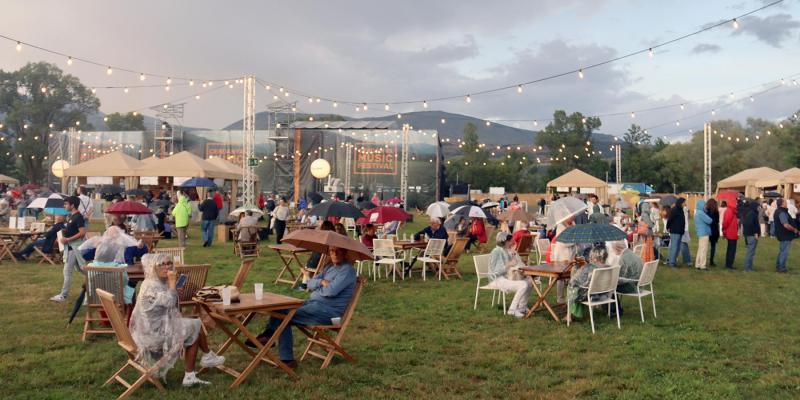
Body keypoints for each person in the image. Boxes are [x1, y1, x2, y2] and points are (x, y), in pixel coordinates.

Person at [249, 247, 357, 369]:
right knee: (280, 308)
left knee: (284, 315)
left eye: (339, 251)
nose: (335, 254)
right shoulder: (329, 268)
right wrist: (321, 282)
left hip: (327, 311)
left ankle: (279, 350)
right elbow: (309, 284)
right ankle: (270, 338)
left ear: (345, 253)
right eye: (332, 251)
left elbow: (331, 291)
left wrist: (319, 286)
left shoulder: (347, 271)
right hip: (312, 303)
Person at [130, 254, 225, 386]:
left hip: (150, 330)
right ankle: (195, 370)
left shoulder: (155, 282)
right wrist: (173, 285)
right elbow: (169, 302)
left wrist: (172, 288)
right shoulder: (152, 285)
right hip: (153, 337)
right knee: (195, 327)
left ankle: (207, 357)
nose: (167, 266)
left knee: (193, 325)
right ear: (153, 268)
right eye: (161, 264)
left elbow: (168, 305)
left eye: (169, 263)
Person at [487, 232, 533, 318]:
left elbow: (516, 265)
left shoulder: (508, 251)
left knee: (530, 281)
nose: (513, 242)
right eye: (510, 241)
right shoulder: (496, 251)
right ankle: (512, 310)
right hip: (497, 279)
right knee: (523, 284)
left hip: (508, 277)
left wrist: (515, 256)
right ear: (505, 242)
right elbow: (494, 271)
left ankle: (522, 307)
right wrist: (508, 265)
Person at [50, 196, 86, 302]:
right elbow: (70, 230)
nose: (64, 206)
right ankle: (97, 278)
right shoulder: (71, 216)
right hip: (70, 247)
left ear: (72, 205)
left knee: (67, 271)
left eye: (66, 204)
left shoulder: (78, 217)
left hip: (74, 248)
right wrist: (61, 238)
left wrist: (68, 239)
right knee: (80, 269)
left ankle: (63, 295)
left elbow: (82, 232)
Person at [567, 244, 608, 319]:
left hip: (591, 296)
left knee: (573, 287)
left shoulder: (590, 267)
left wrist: (579, 270)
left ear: (593, 255)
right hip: (604, 295)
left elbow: (575, 282)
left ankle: (569, 316)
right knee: (579, 288)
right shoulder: (609, 267)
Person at [774, 199, 799, 273]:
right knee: (784, 252)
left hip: (782, 234)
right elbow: (786, 225)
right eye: (785, 202)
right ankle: (781, 268)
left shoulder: (779, 211)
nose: (786, 203)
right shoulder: (781, 212)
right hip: (785, 234)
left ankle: (779, 266)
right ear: (782, 204)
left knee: (782, 251)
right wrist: (794, 230)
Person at [665, 198, 686, 267]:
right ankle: (671, 262)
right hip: (675, 231)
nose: (684, 204)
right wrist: (667, 227)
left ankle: (672, 260)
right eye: (684, 202)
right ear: (680, 202)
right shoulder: (675, 209)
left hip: (680, 230)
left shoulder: (680, 209)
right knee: (674, 246)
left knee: (677, 247)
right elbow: (670, 219)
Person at [742, 200, 761, 272]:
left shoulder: (750, 213)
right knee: (750, 252)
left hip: (749, 235)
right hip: (751, 235)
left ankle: (749, 267)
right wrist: (755, 233)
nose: (758, 208)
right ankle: (747, 268)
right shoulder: (752, 214)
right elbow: (751, 225)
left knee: (751, 252)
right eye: (757, 206)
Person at [693, 200, 712, 271]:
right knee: (704, 250)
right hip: (704, 233)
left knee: (700, 249)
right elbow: (710, 220)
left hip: (701, 233)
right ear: (701, 206)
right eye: (705, 205)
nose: (706, 207)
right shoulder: (701, 213)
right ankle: (702, 266)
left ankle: (697, 264)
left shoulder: (698, 212)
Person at [721, 199, 739, 270]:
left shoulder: (731, 211)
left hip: (731, 232)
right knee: (731, 250)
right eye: (736, 203)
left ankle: (729, 264)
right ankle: (729, 265)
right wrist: (723, 229)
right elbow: (726, 222)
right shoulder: (730, 211)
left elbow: (726, 222)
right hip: (731, 233)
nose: (737, 204)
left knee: (731, 249)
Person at [706, 199, 720, 266]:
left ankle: (704, 260)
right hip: (714, 230)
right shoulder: (716, 212)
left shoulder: (706, 212)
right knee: (713, 246)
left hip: (707, 230)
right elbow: (717, 221)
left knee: (705, 246)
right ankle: (711, 261)